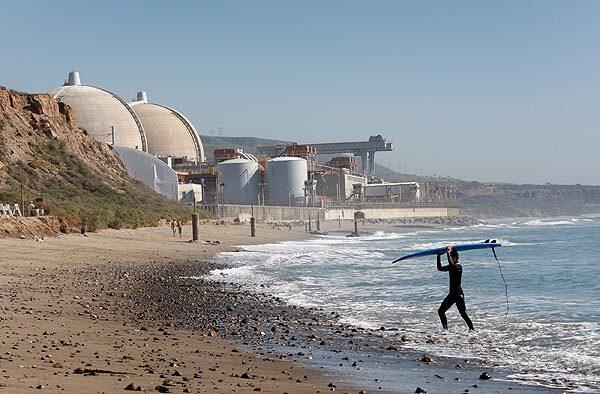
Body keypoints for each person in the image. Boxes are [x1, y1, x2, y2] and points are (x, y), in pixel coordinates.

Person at [436, 246, 474, 331]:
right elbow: (439, 268)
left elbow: (452, 265)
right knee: (441, 311)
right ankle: (445, 330)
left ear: (455, 258)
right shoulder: (452, 267)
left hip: (457, 294)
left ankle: (472, 330)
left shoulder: (458, 267)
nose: (450, 259)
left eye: (451, 257)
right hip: (455, 294)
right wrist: (438, 256)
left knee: (463, 314)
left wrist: (448, 252)